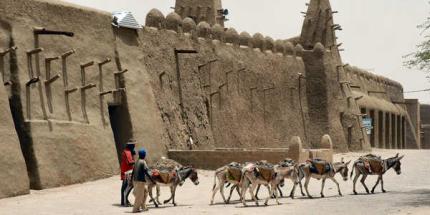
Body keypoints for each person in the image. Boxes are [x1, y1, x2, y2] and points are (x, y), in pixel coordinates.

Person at [132, 148, 153, 213]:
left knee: (146, 191)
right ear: (144, 155)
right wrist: (152, 179)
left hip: (135, 180)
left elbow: (133, 171)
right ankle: (135, 209)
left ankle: (143, 206)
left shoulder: (137, 161)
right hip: (140, 181)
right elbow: (146, 171)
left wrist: (131, 180)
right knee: (139, 196)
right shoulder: (143, 162)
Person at [120, 139, 136, 207]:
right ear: (131, 145)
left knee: (124, 186)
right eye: (134, 145)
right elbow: (129, 162)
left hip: (125, 170)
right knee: (129, 186)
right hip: (127, 172)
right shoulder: (128, 152)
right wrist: (136, 161)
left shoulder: (127, 151)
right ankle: (125, 200)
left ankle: (123, 200)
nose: (135, 146)